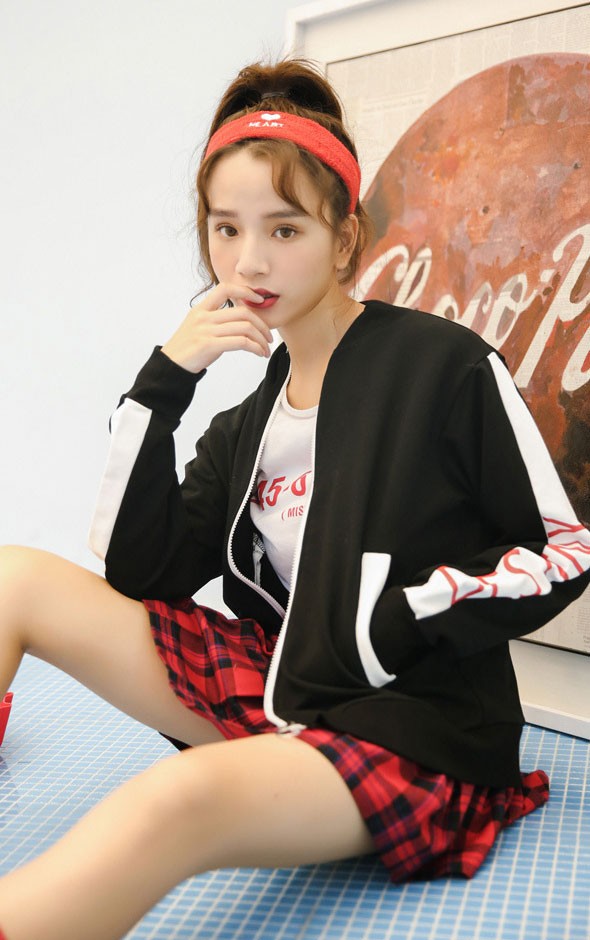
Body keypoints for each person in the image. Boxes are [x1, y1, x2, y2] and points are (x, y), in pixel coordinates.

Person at [0, 56, 589, 940]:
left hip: (413, 728)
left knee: (173, 800)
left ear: (345, 239)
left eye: (285, 229)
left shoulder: (442, 365)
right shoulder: (248, 422)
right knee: (11, 577)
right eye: (226, 229)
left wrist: (401, 616)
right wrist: (164, 381)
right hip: (284, 688)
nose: (249, 262)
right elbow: (142, 573)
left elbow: (564, 547)